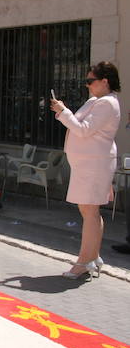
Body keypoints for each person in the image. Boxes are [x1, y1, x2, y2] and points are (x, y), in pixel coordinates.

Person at [51, 62, 121, 278]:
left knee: (89, 211)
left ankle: (85, 261)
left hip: (95, 164)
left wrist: (63, 111)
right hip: (89, 163)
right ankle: (93, 256)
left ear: (104, 82)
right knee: (90, 211)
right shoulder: (96, 101)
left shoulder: (107, 103)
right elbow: (79, 125)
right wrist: (64, 113)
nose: (87, 85)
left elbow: (82, 129)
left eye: (91, 81)